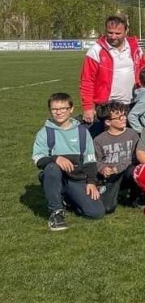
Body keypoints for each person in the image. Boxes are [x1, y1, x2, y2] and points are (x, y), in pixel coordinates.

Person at [32, 92, 105, 231]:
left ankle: (67, 197)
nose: (58, 112)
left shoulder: (82, 132)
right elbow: (38, 159)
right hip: (56, 175)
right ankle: (56, 212)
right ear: (50, 111)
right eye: (54, 109)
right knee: (52, 168)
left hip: (77, 178)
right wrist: (56, 158)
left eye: (63, 108)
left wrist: (91, 182)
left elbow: (90, 160)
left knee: (96, 213)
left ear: (71, 109)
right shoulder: (45, 132)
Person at [79, 15, 145, 135]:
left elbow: (142, 71)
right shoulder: (95, 50)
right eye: (110, 32)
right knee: (105, 143)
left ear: (126, 31)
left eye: (118, 33)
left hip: (132, 104)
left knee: (132, 141)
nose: (113, 36)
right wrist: (88, 107)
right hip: (106, 106)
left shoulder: (135, 47)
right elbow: (87, 81)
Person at [93, 101, 140, 212]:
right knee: (107, 208)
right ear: (108, 122)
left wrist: (119, 167)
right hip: (110, 176)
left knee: (135, 170)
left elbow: (135, 157)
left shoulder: (132, 134)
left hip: (127, 172)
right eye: (119, 117)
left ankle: (134, 198)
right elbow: (95, 160)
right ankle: (110, 192)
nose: (124, 119)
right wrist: (103, 169)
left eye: (124, 115)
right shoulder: (99, 140)